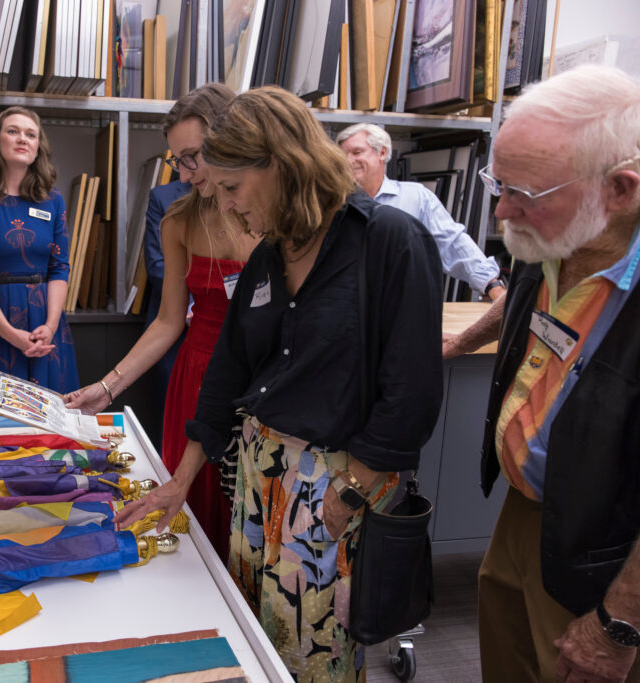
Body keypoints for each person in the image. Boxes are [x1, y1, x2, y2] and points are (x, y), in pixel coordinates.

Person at [116, 86, 443, 680]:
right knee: (257, 647)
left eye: (234, 189)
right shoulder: (270, 256)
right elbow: (227, 375)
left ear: (280, 164)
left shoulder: (388, 242)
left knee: (317, 657)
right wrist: (181, 480)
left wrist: (348, 493)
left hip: (336, 490)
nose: (230, 208)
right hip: (257, 483)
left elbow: (413, 392)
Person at [474, 64, 640, 682]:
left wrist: (621, 622)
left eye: (523, 194)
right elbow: (520, 307)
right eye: (500, 182)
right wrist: (460, 340)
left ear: (621, 190)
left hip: (616, 552)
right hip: (526, 513)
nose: (502, 209)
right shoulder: (555, 226)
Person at [65, 83, 259, 558]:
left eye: (194, 157)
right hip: (196, 378)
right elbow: (169, 321)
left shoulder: (268, 216)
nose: (186, 173)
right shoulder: (178, 222)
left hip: (259, 384)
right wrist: (107, 387)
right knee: (189, 519)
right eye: (178, 160)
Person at [0, 106, 79, 413]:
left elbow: (59, 268)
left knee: (48, 421)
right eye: (13, 131)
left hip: (43, 326)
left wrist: (50, 324)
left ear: (38, 148)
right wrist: (8, 333)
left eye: (30, 134)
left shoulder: (53, 200)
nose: (22, 138)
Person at [336, 122, 506, 300]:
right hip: (346, 308)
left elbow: (452, 242)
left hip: (399, 308)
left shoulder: (416, 197)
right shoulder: (332, 202)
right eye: (342, 155)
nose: (348, 161)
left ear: (382, 152)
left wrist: (492, 285)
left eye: (357, 152)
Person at [141, 177, 190, 449]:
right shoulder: (162, 197)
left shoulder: (238, 195)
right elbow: (158, 263)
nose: (185, 170)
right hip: (174, 322)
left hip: (223, 327)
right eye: (179, 159)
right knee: (171, 417)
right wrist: (193, 304)